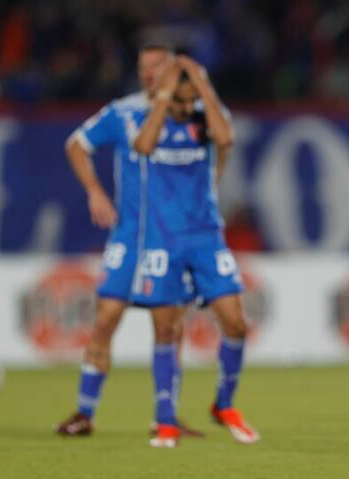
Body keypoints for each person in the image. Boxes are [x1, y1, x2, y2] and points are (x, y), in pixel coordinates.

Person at [54, 44, 200, 438]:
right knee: (105, 320)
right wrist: (93, 190)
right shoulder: (122, 112)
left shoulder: (191, 112)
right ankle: (84, 413)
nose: (149, 72)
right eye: (143, 66)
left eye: (157, 65)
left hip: (169, 241)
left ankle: (165, 417)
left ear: (173, 70)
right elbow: (76, 144)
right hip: (128, 237)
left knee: (168, 327)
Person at [130, 56, 259, 448]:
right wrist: (163, 97)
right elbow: (143, 146)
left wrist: (203, 87)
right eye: (180, 95)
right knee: (166, 328)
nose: (186, 104)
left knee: (236, 322)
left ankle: (224, 404)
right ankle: (165, 419)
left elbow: (226, 139)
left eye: (190, 96)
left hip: (205, 237)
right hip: (162, 239)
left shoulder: (204, 122)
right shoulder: (146, 118)